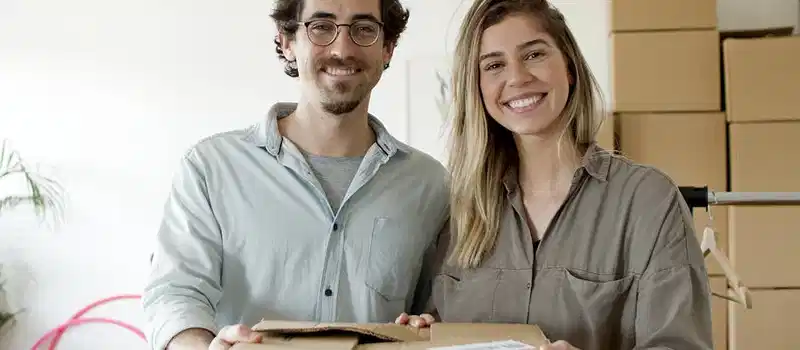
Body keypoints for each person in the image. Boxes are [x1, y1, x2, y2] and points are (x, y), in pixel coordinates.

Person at [396, 0, 714, 349]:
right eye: (494, 65)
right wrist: (425, 331)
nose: (517, 77)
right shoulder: (459, 212)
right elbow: (438, 321)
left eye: (534, 55)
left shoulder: (649, 202)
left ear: (570, 68)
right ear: (478, 89)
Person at [142, 0, 449, 349]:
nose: (342, 48)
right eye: (321, 26)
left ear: (387, 49)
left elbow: (435, 311)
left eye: (364, 29)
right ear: (287, 41)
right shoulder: (211, 167)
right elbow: (174, 294)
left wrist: (428, 325)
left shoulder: (431, 185)